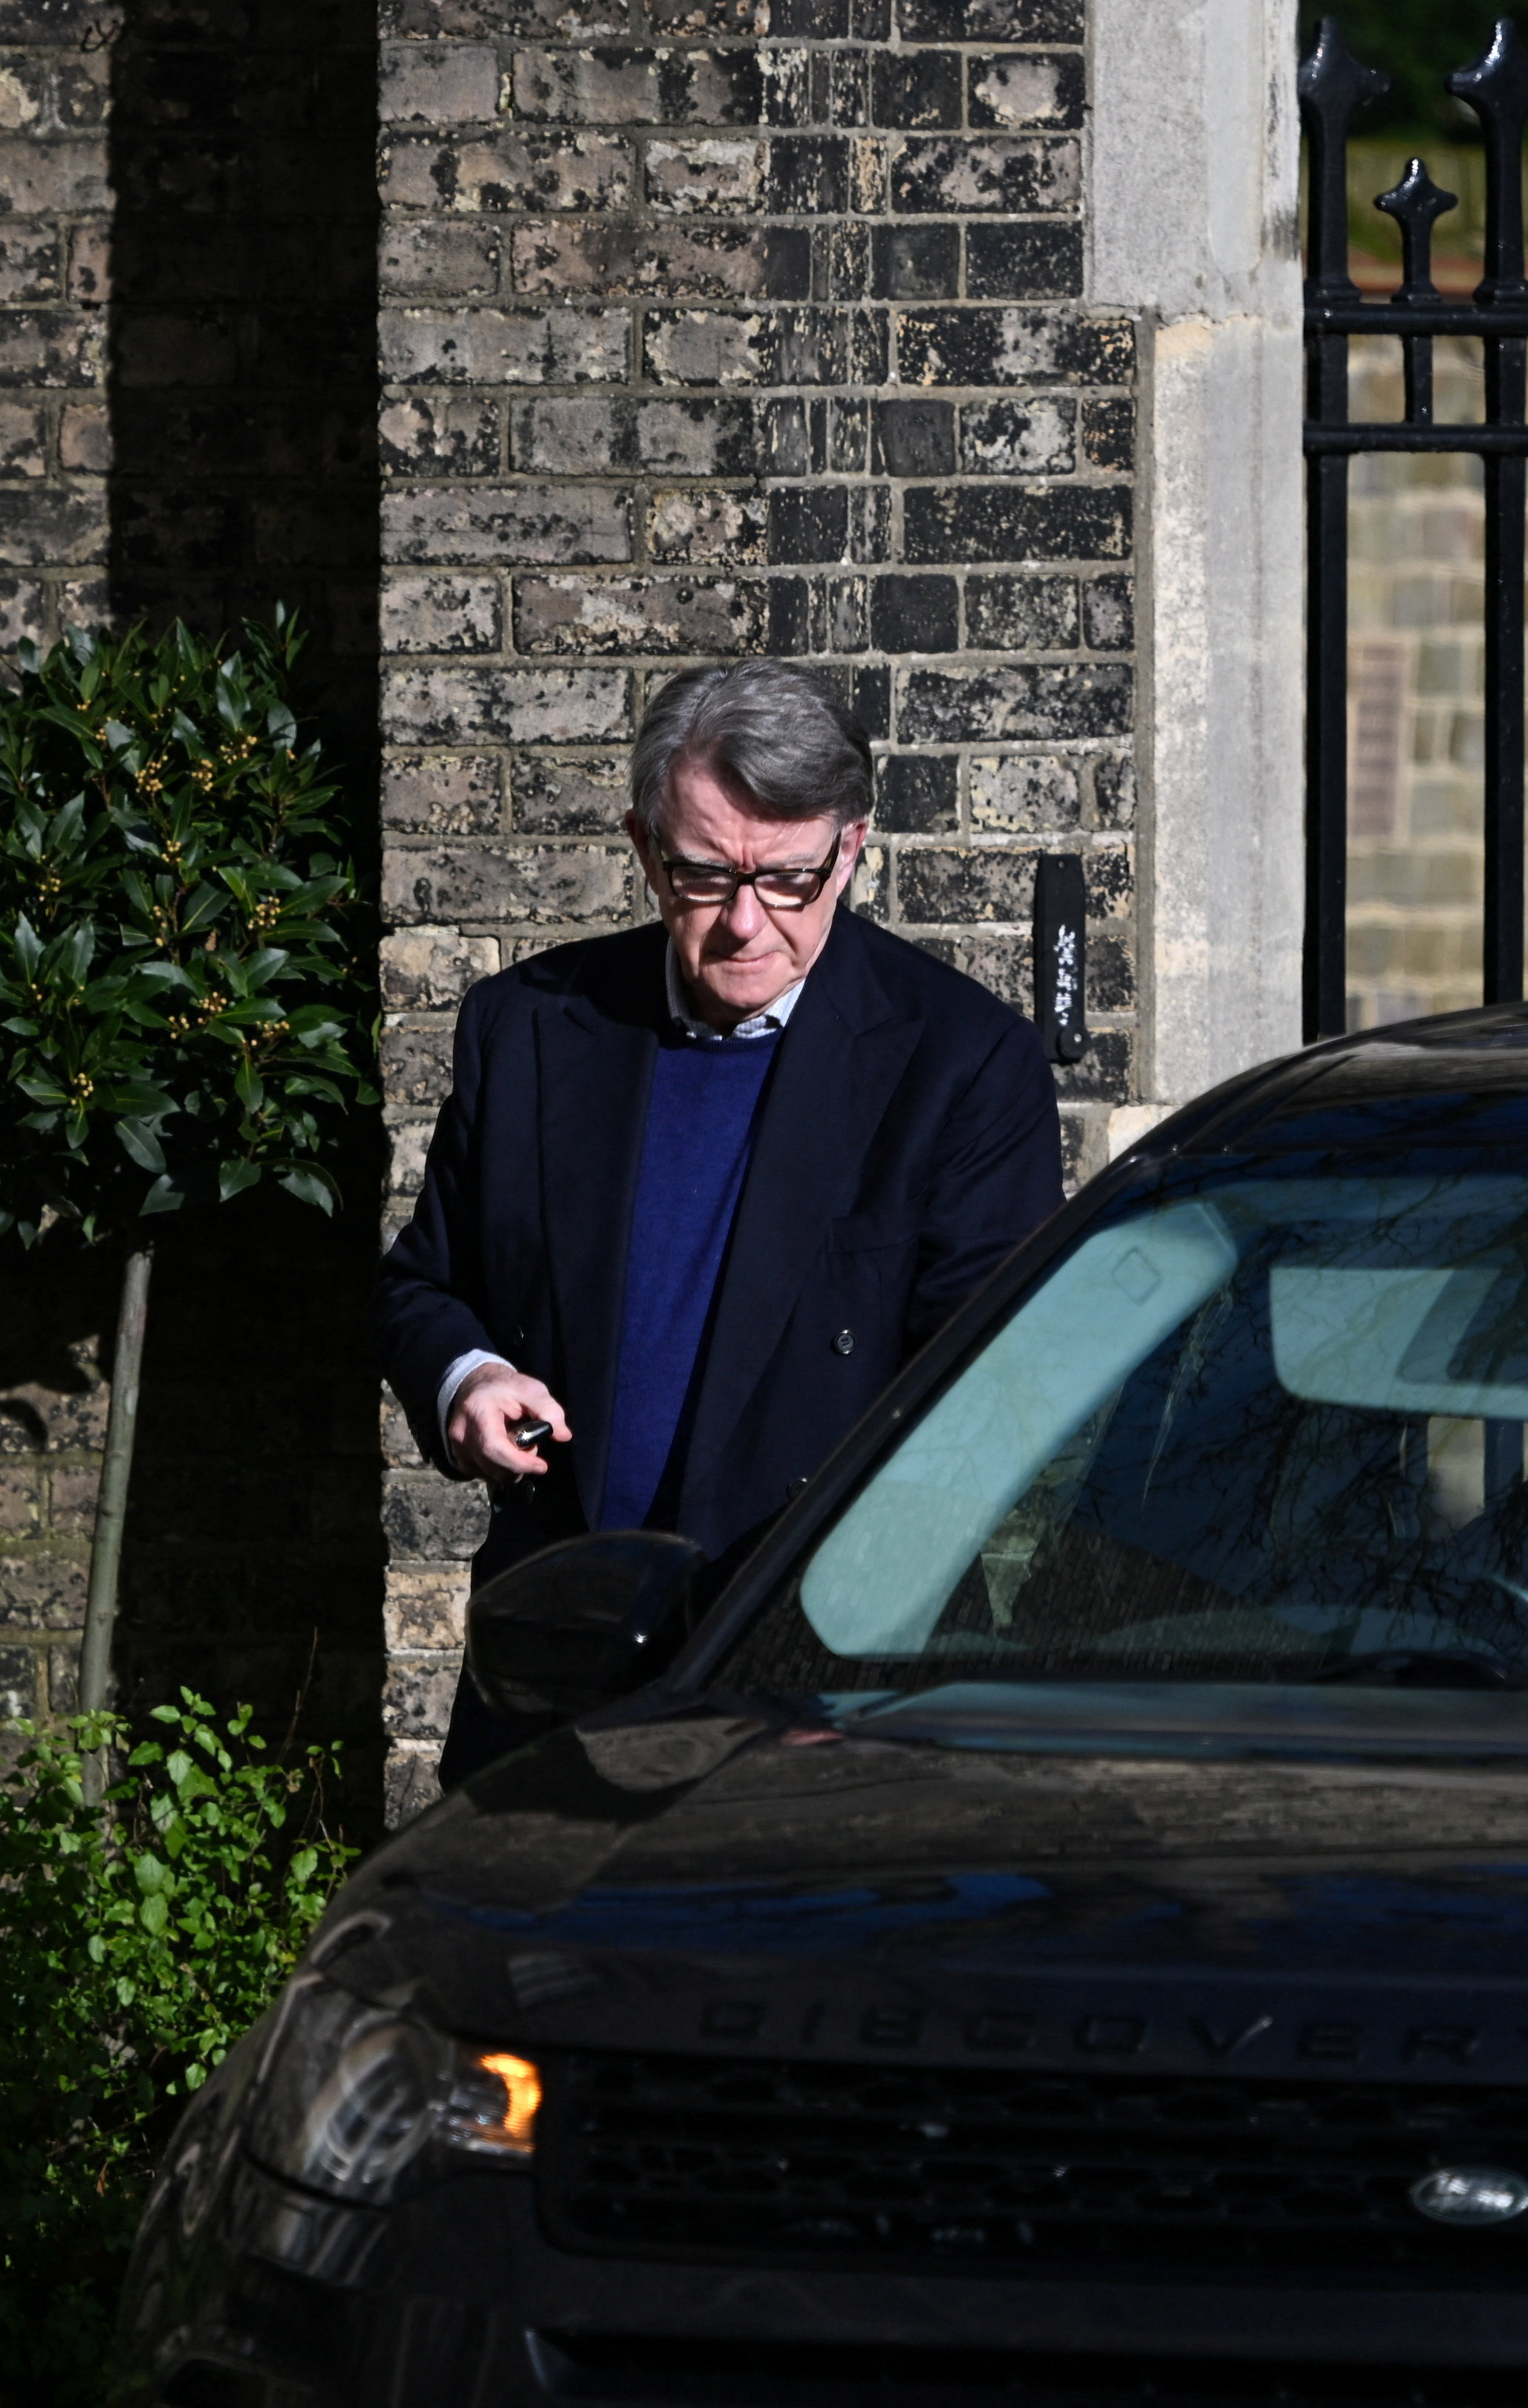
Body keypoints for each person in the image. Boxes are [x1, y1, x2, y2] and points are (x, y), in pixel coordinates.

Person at [380, 660, 1069, 1781]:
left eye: (791, 880)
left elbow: (984, 1408)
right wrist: (466, 1379)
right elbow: (422, 1284)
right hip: (563, 1683)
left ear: (850, 849)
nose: (747, 923)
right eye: (705, 877)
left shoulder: (961, 1064)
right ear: (645, 846)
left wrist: (824, 1642)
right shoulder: (530, 1033)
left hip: (830, 1690)